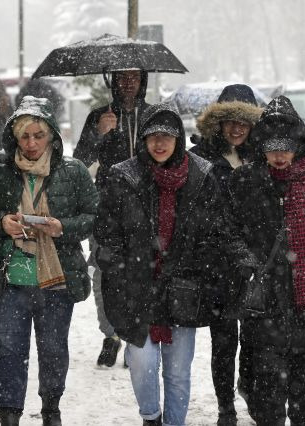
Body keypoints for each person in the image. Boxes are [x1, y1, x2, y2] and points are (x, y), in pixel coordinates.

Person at [0, 96, 98, 426]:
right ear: (14, 138)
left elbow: (94, 216)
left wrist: (62, 227)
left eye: (38, 135)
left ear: (51, 135)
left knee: (53, 349)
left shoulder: (73, 171)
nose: (32, 143)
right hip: (8, 276)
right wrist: (1, 222)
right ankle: (9, 415)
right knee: (10, 352)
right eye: (25, 136)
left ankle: (51, 409)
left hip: (57, 278)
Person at [94, 103, 226, 426]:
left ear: (178, 138)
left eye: (167, 135)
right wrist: (121, 271)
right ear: (144, 139)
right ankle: (151, 417)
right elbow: (107, 233)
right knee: (142, 363)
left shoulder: (201, 176)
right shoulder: (124, 176)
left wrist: (198, 272)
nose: (160, 143)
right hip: (138, 289)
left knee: (178, 372)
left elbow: (215, 233)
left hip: (183, 290)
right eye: (153, 135)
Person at [226, 96, 305, 425]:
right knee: (266, 390)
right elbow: (229, 232)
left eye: (286, 146)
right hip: (266, 302)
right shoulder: (244, 182)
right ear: (261, 146)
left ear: (299, 145)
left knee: (304, 388)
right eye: (272, 147)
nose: (279, 155)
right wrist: (249, 265)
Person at [189, 84, 262, 426]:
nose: (236, 128)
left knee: (254, 336)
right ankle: (225, 405)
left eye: (244, 122)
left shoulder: (261, 156)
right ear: (218, 122)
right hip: (216, 263)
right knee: (223, 340)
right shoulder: (201, 158)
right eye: (230, 120)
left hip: (256, 263)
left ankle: (247, 386)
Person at [74, 69, 150, 367]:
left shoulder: (153, 115)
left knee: (141, 274)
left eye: (134, 77)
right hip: (106, 207)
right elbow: (80, 159)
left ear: (143, 81)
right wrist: (99, 134)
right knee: (105, 272)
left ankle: (134, 334)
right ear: (113, 81)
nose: (128, 83)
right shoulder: (99, 116)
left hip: (145, 207)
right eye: (122, 77)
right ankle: (111, 335)